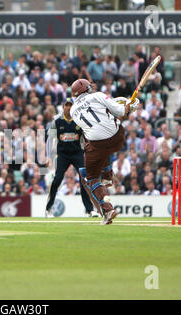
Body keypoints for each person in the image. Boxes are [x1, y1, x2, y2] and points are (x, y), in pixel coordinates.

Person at [69, 79, 139, 225]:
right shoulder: (98, 95)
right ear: (87, 89)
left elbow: (94, 125)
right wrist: (129, 107)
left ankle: (108, 210)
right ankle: (107, 177)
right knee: (102, 146)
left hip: (98, 143)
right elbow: (121, 112)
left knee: (91, 177)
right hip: (118, 137)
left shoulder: (72, 110)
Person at [45, 98, 96, 218]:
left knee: (84, 179)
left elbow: (87, 137)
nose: (68, 108)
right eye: (66, 105)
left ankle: (89, 210)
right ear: (63, 106)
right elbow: (49, 140)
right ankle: (48, 209)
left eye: (70, 105)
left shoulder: (79, 120)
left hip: (77, 153)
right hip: (62, 154)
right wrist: (48, 156)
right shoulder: (57, 121)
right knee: (57, 179)